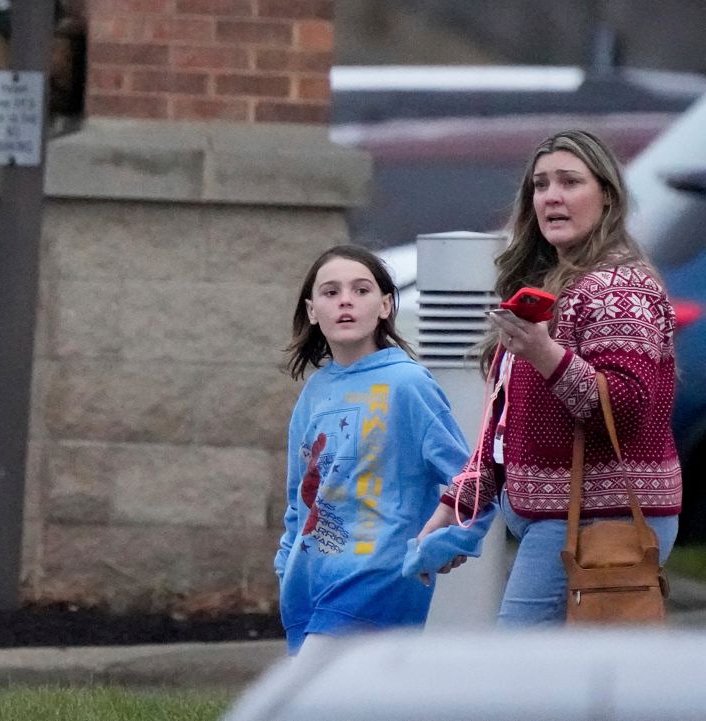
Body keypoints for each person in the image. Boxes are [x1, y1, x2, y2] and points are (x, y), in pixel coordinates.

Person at [418, 129, 682, 625]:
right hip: (559, 521)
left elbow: (622, 410)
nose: (552, 196)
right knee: (573, 690)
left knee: (521, 682)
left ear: (606, 195)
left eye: (569, 182)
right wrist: (458, 508)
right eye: (540, 185)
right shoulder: (549, 288)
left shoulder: (619, 287)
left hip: (601, 521)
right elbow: (503, 427)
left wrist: (545, 353)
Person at [275, 245, 470, 657]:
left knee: (307, 694)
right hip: (313, 580)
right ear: (312, 311)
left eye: (360, 290)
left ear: (384, 306)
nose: (345, 300)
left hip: (382, 574)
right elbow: (300, 498)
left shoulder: (409, 384)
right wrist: (286, 565)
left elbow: (470, 476)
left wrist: (447, 541)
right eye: (330, 292)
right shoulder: (315, 393)